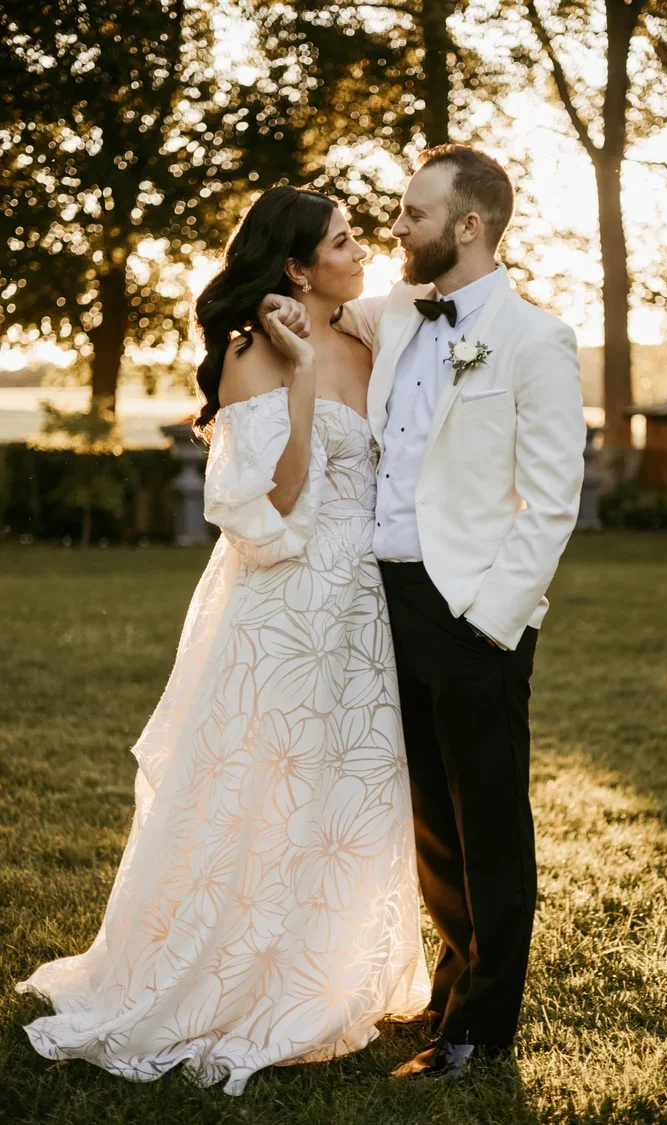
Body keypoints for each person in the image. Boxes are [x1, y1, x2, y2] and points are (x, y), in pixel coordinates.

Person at [16, 186, 429, 1094]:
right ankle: (231, 977)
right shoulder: (253, 354)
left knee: (346, 792)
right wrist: (304, 375)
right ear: (295, 264)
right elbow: (274, 503)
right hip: (284, 609)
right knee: (260, 790)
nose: (363, 250)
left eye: (361, 235)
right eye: (344, 241)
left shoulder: (367, 327)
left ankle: (320, 967)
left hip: (363, 608)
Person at [259, 145, 587, 1081]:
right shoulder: (397, 308)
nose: (394, 229)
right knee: (432, 820)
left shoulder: (537, 339)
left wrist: (492, 619)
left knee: (487, 818)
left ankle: (483, 1026)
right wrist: (281, 308)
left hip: (473, 612)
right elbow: (324, 308)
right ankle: (449, 994)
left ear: (468, 226)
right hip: (383, 599)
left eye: (411, 215)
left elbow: (552, 498)